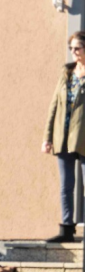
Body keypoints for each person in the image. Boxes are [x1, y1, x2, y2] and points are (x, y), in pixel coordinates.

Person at [42, 31, 85, 243]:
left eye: (77, 48)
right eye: (71, 48)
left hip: (83, 137)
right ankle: (67, 229)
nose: (74, 52)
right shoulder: (66, 73)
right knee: (66, 186)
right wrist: (47, 137)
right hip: (63, 136)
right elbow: (54, 106)